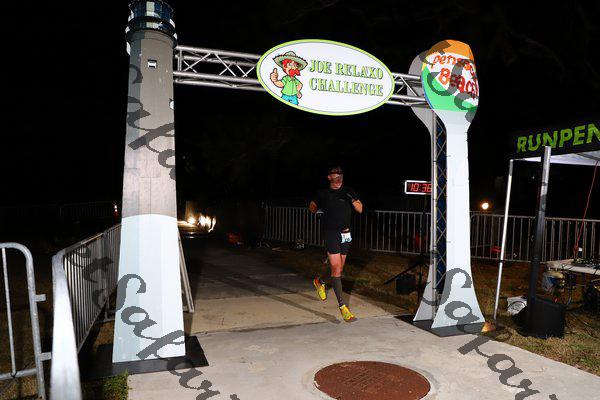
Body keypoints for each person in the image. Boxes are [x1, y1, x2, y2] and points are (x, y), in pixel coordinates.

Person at [309, 166, 363, 322]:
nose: (339, 180)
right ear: (329, 178)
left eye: (341, 177)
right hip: (331, 233)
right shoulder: (323, 193)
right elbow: (312, 206)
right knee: (336, 268)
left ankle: (320, 281)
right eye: (335, 177)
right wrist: (317, 211)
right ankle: (342, 307)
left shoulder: (348, 191)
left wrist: (352, 199)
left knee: (338, 269)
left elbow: (360, 209)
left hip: (345, 234)